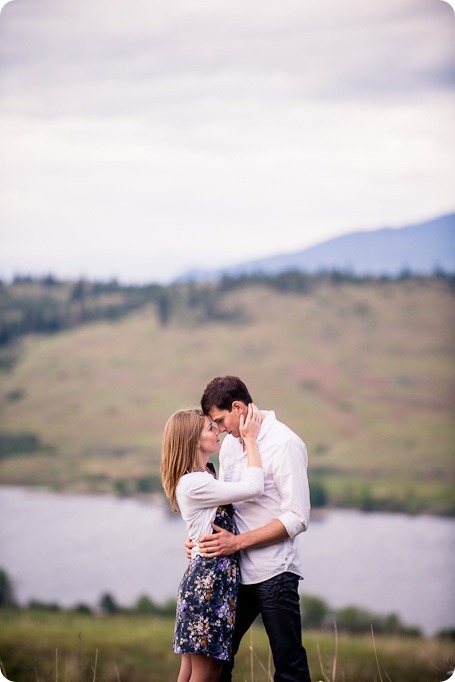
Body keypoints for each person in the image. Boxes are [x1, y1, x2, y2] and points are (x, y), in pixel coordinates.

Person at [194, 375, 312, 682]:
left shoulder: (284, 443)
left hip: (275, 573)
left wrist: (237, 542)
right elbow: (228, 503)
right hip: (234, 572)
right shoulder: (232, 445)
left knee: (289, 667)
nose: (219, 430)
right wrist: (198, 541)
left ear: (237, 408)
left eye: (220, 421)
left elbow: (298, 518)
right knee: (217, 659)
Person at [161, 403, 264, 682]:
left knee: (190, 673)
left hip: (207, 581)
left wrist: (193, 538)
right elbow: (254, 487)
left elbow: (203, 520)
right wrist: (251, 440)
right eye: (210, 428)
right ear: (194, 440)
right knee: (207, 676)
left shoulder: (206, 473)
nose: (218, 430)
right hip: (209, 585)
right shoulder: (195, 482)